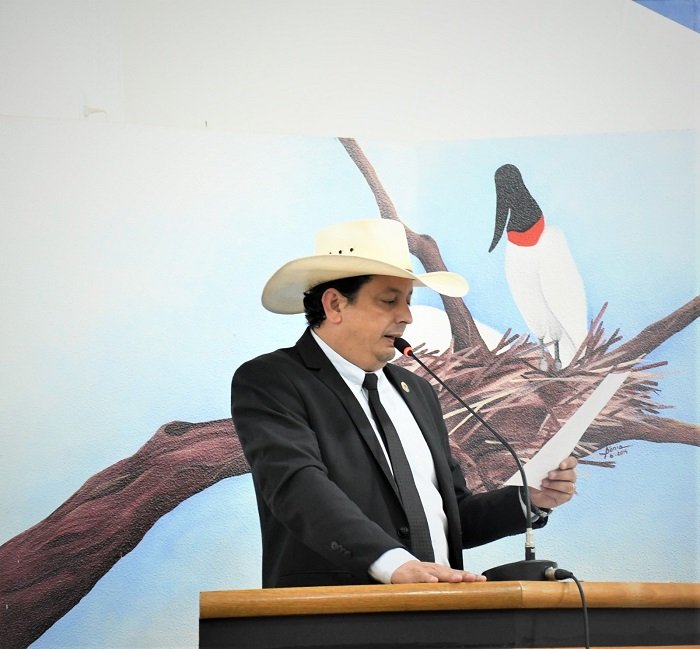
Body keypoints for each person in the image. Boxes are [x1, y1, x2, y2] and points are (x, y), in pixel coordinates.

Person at [231, 218, 577, 588]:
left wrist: (528, 500)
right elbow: (298, 487)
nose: (407, 316)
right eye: (389, 301)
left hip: (442, 611)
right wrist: (392, 564)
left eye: (409, 301)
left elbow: (451, 515)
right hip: (334, 615)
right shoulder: (272, 380)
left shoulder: (418, 391)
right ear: (334, 304)